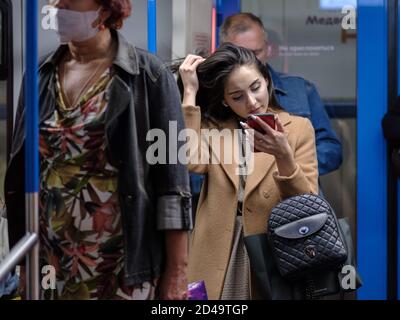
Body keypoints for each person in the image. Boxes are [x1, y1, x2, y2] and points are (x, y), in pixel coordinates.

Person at [5, 0, 192, 300]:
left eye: (67, 4)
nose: (55, 10)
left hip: (119, 261)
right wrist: (24, 263)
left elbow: (173, 183)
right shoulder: (39, 75)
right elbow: (21, 168)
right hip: (49, 259)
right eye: (53, 3)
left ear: (104, 12)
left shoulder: (148, 76)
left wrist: (178, 271)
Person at [179, 43, 319, 300]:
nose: (252, 102)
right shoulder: (215, 128)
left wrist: (283, 155)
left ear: (267, 80)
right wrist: (189, 91)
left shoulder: (298, 128)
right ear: (224, 99)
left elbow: (308, 202)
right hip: (218, 246)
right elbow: (191, 161)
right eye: (237, 96)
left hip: (271, 248)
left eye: (256, 88)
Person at [220, 13, 342, 176]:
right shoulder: (217, 97)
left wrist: (287, 163)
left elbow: (331, 150)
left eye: (257, 52)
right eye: (241, 54)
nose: (251, 62)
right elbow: (193, 159)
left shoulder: (301, 89)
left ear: (267, 46)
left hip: (295, 194)